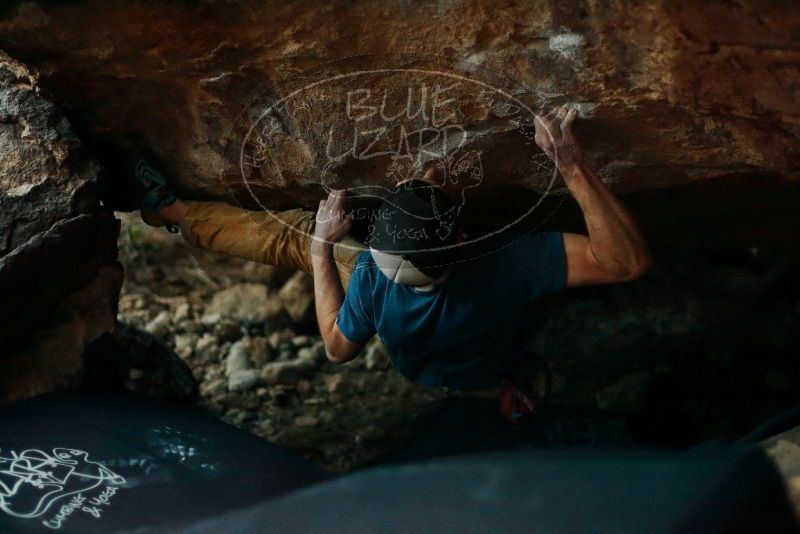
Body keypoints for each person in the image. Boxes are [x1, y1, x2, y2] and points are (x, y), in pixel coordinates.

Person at [131, 106, 651, 419]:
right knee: (533, 303)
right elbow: (626, 264)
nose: (417, 174)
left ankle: (172, 211)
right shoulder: (504, 264)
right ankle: (509, 380)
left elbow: (337, 348)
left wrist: (319, 248)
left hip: (424, 360)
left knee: (283, 236)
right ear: (465, 237)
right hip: (488, 355)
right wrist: (571, 166)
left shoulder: (372, 283)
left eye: (411, 190)